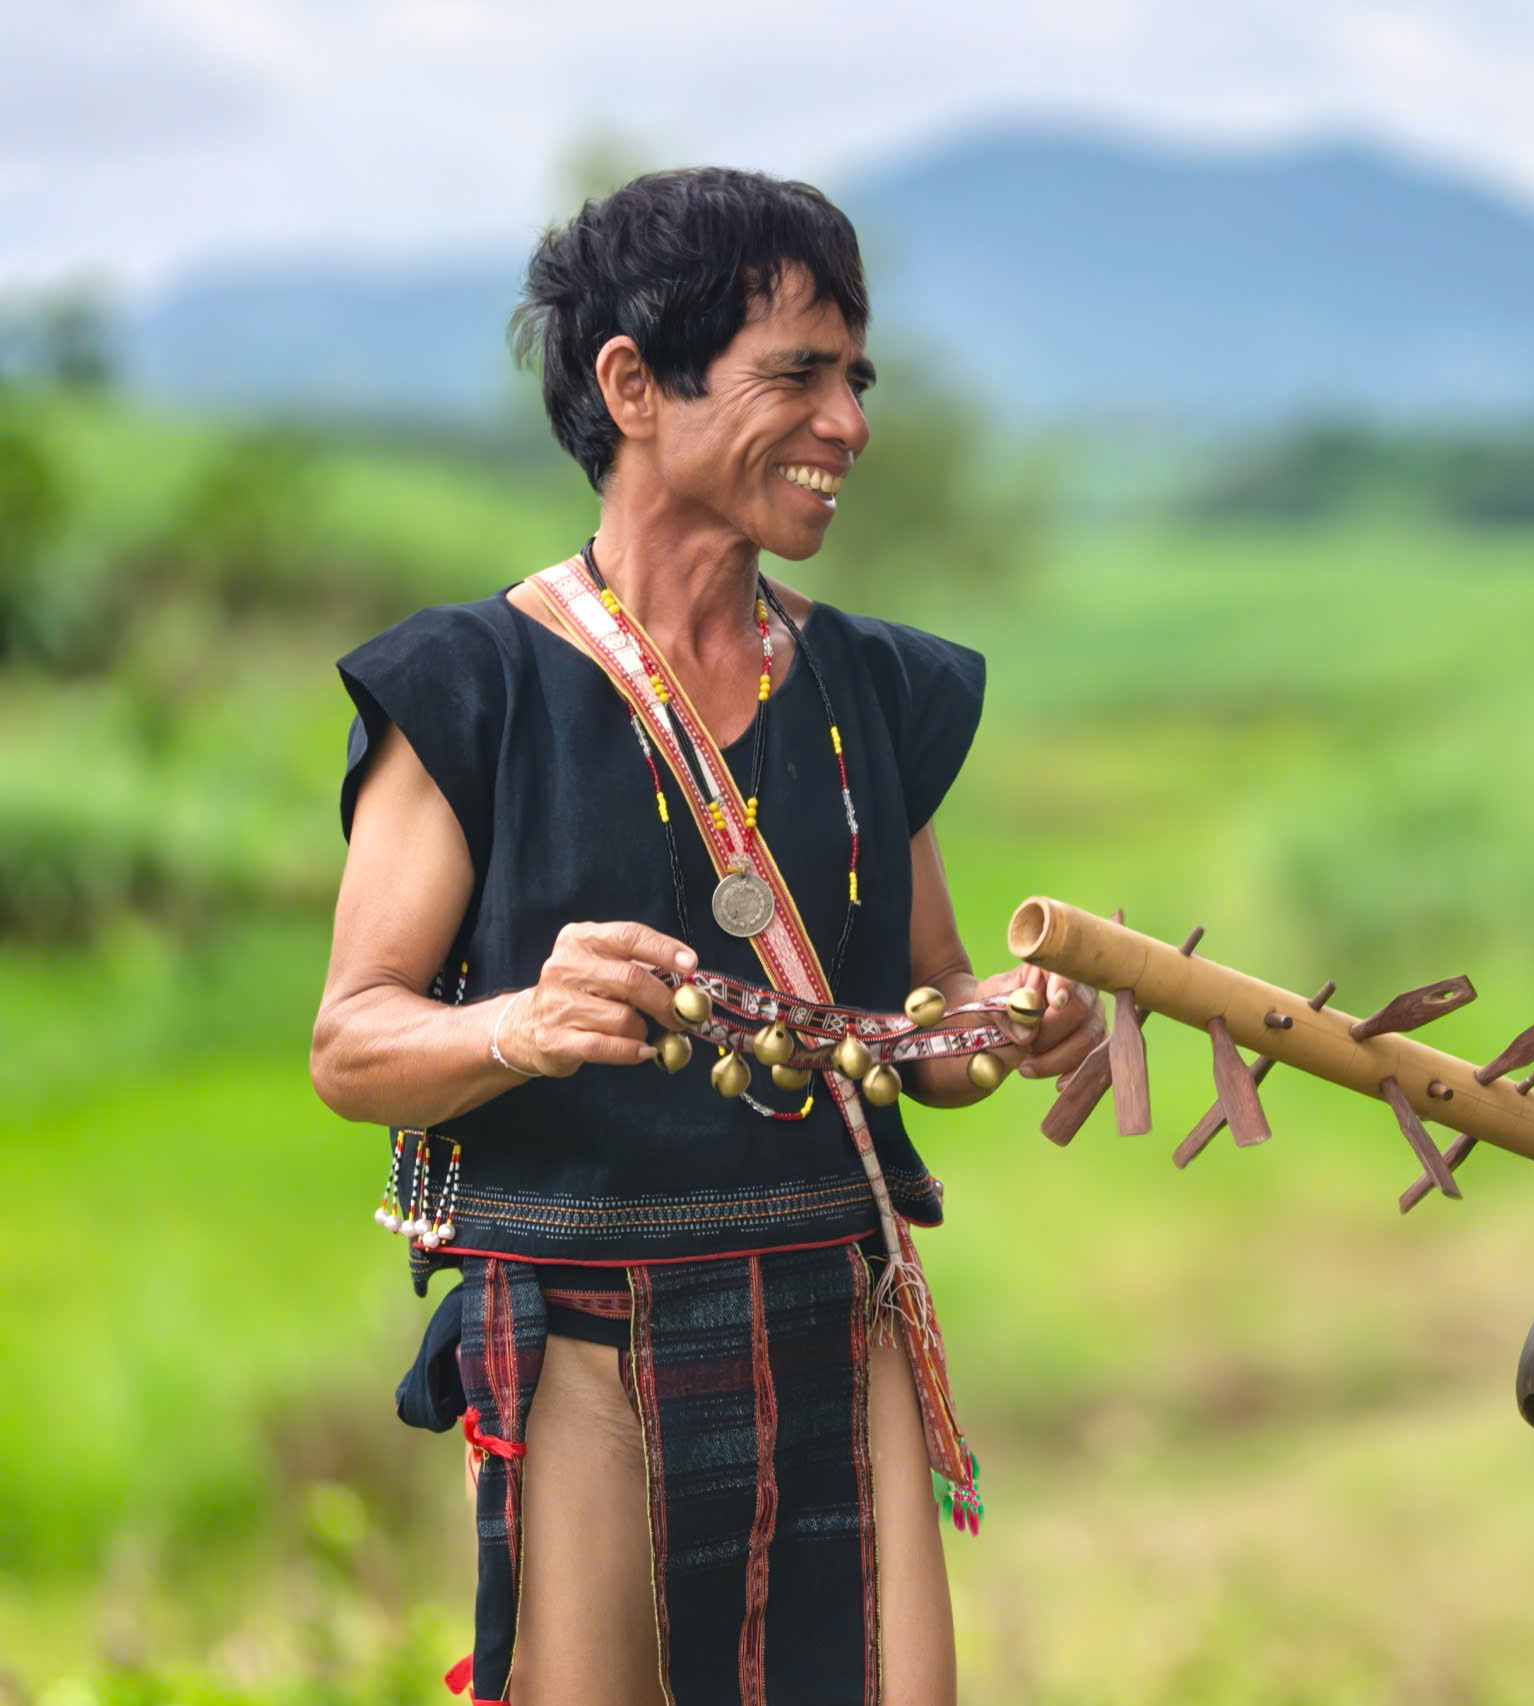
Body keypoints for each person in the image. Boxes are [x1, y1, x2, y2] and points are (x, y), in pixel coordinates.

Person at [309, 167, 1100, 1706]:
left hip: (841, 1319)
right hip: (583, 1338)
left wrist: (1004, 1014)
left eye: (854, 377)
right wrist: (515, 1025)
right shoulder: (474, 690)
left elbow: (928, 1032)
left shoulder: (876, 691)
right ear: (632, 386)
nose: (850, 422)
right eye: (796, 373)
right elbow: (352, 1043)